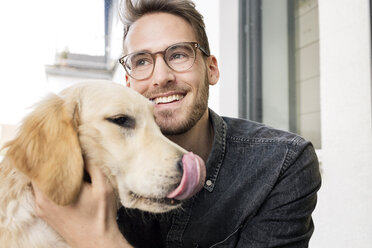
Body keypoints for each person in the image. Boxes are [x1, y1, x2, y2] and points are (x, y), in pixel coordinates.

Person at [33, 0, 321, 247]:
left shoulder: (283, 164)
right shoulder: (91, 161)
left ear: (211, 69)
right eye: (142, 61)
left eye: (179, 54)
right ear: (128, 83)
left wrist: (98, 239)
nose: (161, 77)